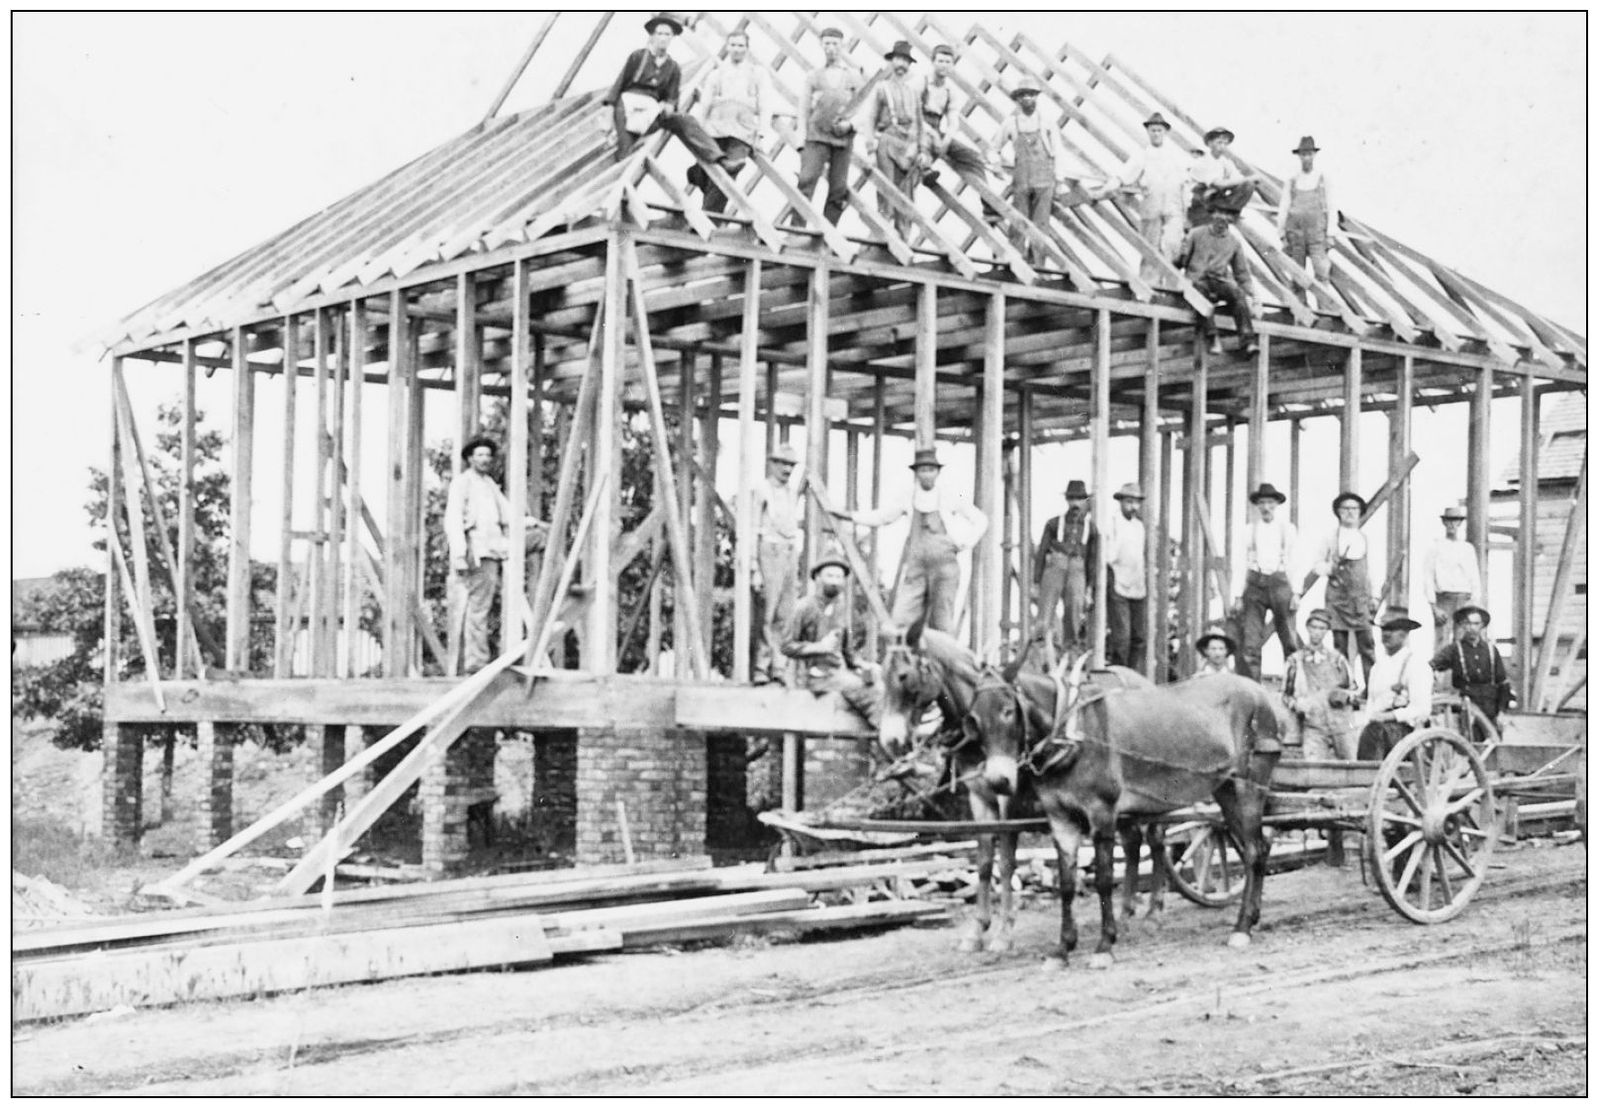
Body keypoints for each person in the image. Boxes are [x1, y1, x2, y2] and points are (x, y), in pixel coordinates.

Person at [835, 446, 987, 634]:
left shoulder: (949, 495)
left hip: (945, 566)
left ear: (937, 472)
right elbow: (882, 517)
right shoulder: (908, 496)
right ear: (916, 473)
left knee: (942, 620)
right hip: (917, 567)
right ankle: (903, 660)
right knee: (900, 619)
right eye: (923, 470)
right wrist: (850, 516)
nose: (927, 475)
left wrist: (965, 542)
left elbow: (980, 520)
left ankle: (942, 661)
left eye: (931, 470)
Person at [443, 436, 548, 674]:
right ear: (470, 458)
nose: (484, 460)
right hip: (477, 551)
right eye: (479, 455)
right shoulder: (463, 483)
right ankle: (475, 662)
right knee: (479, 607)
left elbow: (508, 514)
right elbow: (453, 519)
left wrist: (532, 523)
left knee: (541, 538)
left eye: (488, 456)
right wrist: (459, 553)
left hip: (496, 546)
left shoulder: (489, 483)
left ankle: (563, 584)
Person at [604, 13, 730, 173]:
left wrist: (669, 105)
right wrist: (609, 118)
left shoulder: (673, 67)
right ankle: (621, 195)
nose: (663, 38)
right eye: (660, 33)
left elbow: (672, 98)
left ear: (672, 38)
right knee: (627, 150)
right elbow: (617, 87)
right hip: (628, 106)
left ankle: (718, 157)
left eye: (667, 34)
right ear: (652, 36)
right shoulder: (638, 56)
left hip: (652, 110)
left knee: (684, 119)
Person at [781, 545, 880, 727]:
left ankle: (885, 737)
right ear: (817, 578)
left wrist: (863, 665)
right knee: (867, 692)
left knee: (878, 680)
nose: (835, 581)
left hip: (837, 673)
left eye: (839, 577)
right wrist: (819, 647)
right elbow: (786, 645)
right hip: (813, 676)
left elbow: (848, 652)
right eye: (830, 576)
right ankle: (888, 740)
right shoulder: (804, 607)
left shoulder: (842, 608)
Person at [685, 29, 774, 213]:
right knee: (710, 172)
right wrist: (699, 133)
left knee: (727, 174)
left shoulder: (757, 73)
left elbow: (766, 105)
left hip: (742, 132)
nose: (736, 49)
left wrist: (762, 134)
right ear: (727, 47)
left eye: (741, 45)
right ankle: (697, 175)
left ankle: (709, 218)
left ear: (747, 49)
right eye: (733, 45)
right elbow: (705, 105)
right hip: (715, 130)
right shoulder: (717, 74)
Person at [1097, 111, 1190, 283]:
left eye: (1159, 130)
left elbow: (1185, 185)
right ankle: (1150, 288)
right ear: (1148, 132)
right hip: (1152, 207)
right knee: (1150, 251)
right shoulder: (1142, 155)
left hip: (1173, 208)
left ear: (1165, 132)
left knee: (1172, 247)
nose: (1156, 133)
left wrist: (1186, 213)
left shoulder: (1175, 156)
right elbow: (1124, 175)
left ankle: (1171, 290)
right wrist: (1107, 188)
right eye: (1153, 130)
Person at [1302, 491, 1377, 685]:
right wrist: (1330, 568)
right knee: (1340, 646)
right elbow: (1317, 564)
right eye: (1345, 509)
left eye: (1354, 509)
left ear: (1360, 512)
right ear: (1338, 512)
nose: (1350, 513)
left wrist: (1374, 596)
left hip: (1360, 600)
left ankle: (1371, 688)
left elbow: (1370, 571)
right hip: (1337, 598)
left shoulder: (1365, 538)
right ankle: (1344, 687)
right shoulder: (1330, 537)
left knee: (1367, 645)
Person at [917, 45, 997, 223]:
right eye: (940, 61)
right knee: (923, 146)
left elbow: (953, 120)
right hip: (918, 126)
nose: (943, 65)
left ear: (952, 65)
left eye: (947, 62)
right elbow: (912, 112)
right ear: (933, 62)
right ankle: (925, 170)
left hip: (937, 127)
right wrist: (931, 133)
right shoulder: (921, 83)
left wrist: (946, 139)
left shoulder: (950, 90)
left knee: (973, 157)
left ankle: (989, 205)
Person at [795, 26, 866, 226]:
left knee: (838, 189)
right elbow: (803, 109)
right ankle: (796, 230)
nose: (831, 48)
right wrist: (801, 140)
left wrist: (850, 125)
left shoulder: (853, 76)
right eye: (827, 43)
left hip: (842, 140)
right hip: (816, 137)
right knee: (806, 181)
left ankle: (827, 235)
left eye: (835, 44)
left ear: (842, 46)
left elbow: (864, 108)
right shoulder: (814, 76)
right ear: (821, 45)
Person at [860, 39, 926, 238]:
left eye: (905, 61)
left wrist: (922, 150)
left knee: (906, 198)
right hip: (887, 144)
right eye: (898, 60)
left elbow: (920, 125)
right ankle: (882, 242)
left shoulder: (913, 93)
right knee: (886, 194)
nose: (901, 65)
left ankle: (903, 240)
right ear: (891, 62)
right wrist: (871, 150)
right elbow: (870, 120)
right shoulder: (882, 88)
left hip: (908, 150)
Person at [1234, 482, 1300, 680]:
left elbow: (1294, 561)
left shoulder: (1286, 529)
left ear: (1276, 505)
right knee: (1251, 641)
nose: (1266, 507)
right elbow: (1240, 563)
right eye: (1262, 503)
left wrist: (1296, 592)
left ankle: (1293, 685)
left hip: (1280, 584)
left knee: (1288, 638)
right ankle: (1253, 689)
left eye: (1270, 503)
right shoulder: (1249, 530)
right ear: (1257, 506)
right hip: (1255, 586)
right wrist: (1237, 595)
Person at [988, 80, 1060, 262]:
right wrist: (995, 163)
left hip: (1044, 181)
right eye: (1023, 95)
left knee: (1041, 225)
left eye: (1031, 94)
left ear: (1037, 97)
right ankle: (1015, 263)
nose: (1027, 98)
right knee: (1018, 222)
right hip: (1021, 181)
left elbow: (1058, 152)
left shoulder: (1048, 123)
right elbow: (992, 148)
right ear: (1017, 99)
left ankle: (1038, 266)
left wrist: (1059, 179)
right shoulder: (1010, 123)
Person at [750, 443, 802, 685]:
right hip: (769, 551)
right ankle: (761, 667)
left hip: (789, 551)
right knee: (767, 614)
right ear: (773, 464)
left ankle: (779, 666)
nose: (787, 469)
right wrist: (753, 567)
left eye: (791, 465)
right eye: (783, 464)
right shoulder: (762, 489)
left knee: (785, 613)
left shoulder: (791, 491)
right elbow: (752, 528)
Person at [1175, 209, 1258, 357]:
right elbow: (1181, 261)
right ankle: (1213, 338)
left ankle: (1248, 341)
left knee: (1237, 294)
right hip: (1198, 279)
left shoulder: (1233, 242)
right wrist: (1180, 256)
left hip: (1219, 281)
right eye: (1219, 218)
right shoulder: (1196, 234)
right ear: (1212, 218)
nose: (1222, 222)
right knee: (1200, 295)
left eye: (1226, 220)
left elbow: (1242, 273)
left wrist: (1253, 297)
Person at [1281, 609, 1360, 761]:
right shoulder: (1295, 661)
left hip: (1341, 724)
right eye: (1314, 627)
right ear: (1308, 628)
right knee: (1313, 769)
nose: (1317, 632)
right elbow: (1285, 694)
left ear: (1327, 631)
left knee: (1352, 765)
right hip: (1313, 725)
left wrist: (1345, 696)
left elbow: (1354, 690)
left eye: (1322, 628)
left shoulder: (1338, 660)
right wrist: (1297, 705)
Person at [1356, 608, 1432, 761]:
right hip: (1376, 730)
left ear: (1404, 634)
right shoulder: (1377, 667)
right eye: (1384, 629)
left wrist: (1389, 716)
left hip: (1405, 732)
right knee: (1369, 732)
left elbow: (1422, 709)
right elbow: (1371, 703)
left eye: (1392, 629)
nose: (1386, 634)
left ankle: (1371, 777)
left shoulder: (1415, 664)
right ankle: (1365, 776)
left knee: (1375, 732)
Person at [1034, 479, 1097, 659]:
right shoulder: (1054, 523)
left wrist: (1089, 588)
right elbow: (1041, 552)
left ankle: (1070, 655)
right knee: (1045, 612)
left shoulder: (1091, 528)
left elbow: (1092, 560)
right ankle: (1040, 654)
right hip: (1056, 564)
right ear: (1067, 500)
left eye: (1079, 499)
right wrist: (1036, 581)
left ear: (1085, 501)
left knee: (1074, 610)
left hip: (1078, 568)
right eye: (1072, 499)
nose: (1075, 503)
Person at [1431, 605, 1517, 733]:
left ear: (1482, 625)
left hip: (1491, 708)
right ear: (1462, 625)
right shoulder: (1454, 649)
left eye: (1476, 623)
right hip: (1466, 706)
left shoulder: (1491, 650)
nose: (1472, 628)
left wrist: (1502, 712)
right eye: (1468, 623)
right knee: (1469, 742)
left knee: (1493, 744)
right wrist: (1433, 685)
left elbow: (1502, 683)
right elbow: (1431, 666)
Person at [1276, 136, 1333, 289]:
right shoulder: (1292, 180)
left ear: (1314, 155)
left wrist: (1331, 234)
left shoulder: (1322, 179)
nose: (1306, 157)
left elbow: (1331, 207)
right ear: (1299, 156)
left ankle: (1325, 309)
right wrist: (1281, 232)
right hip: (1296, 234)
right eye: (1303, 154)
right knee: (1297, 274)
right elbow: (1284, 207)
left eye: (1309, 154)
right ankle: (1301, 311)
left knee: (1322, 273)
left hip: (1317, 235)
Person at [1104, 483, 1148, 672]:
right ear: (1121, 502)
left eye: (1136, 503)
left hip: (1137, 583)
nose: (1133, 507)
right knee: (1121, 636)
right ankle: (1118, 674)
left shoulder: (1139, 526)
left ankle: (1131, 674)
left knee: (1138, 636)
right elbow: (1108, 555)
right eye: (1129, 502)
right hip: (1118, 580)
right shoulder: (1112, 523)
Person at [1423, 502, 1483, 638]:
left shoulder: (1467, 548)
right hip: (1444, 599)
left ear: (1460, 523)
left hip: (1464, 599)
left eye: (1455, 521)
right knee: (1442, 641)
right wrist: (1434, 607)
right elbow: (1428, 578)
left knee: (1463, 641)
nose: (1452, 525)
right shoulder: (1435, 547)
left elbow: (1475, 577)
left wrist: (1474, 602)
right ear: (1444, 523)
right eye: (1449, 521)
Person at [1187, 125, 1258, 226]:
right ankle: (1221, 214)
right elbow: (1219, 184)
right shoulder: (1202, 162)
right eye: (1219, 142)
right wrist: (1248, 178)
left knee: (1248, 185)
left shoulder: (1225, 162)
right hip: (1199, 204)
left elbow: (1238, 179)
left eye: (1225, 143)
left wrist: (1247, 180)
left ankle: (1228, 213)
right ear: (1210, 143)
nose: (1222, 146)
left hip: (1216, 202)